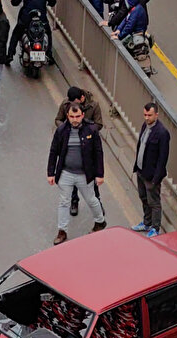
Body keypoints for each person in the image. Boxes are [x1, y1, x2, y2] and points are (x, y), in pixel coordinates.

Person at [47, 103, 107, 245]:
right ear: (67, 116)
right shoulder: (61, 130)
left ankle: (100, 221)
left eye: (77, 116)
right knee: (64, 202)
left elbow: (98, 153)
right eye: (72, 116)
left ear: (82, 115)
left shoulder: (91, 130)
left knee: (92, 200)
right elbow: (53, 151)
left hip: (84, 175)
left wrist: (100, 174)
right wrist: (51, 172)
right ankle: (62, 231)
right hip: (66, 173)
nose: (75, 119)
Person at [54, 87, 104, 216]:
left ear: (82, 98)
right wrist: (66, 129)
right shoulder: (66, 104)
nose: (73, 106)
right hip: (71, 144)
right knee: (72, 180)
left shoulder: (94, 106)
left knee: (91, 181)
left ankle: (98, 205)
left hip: (87, 146)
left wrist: (87, 128)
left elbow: (99, 124)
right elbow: (58, 119)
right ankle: (74, 202)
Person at [130, 102, 170, 237]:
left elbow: (162, 158)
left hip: (152, 175)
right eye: (145, 115)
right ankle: (146, 222)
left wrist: (156, 179)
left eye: (150, 115)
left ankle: (155, 227)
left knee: (154, 201)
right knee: (143, 197)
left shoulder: (162, 133)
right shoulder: (144, 126)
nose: (147, 118)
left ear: (156, 115)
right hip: (141, 171)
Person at [5, 0, 55, 66]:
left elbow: (15, 3)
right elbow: (52, 3)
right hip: (42, 19)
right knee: (48, 33)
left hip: (26, 19)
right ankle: (49, 55)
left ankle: (10, 55)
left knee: (16, 34)